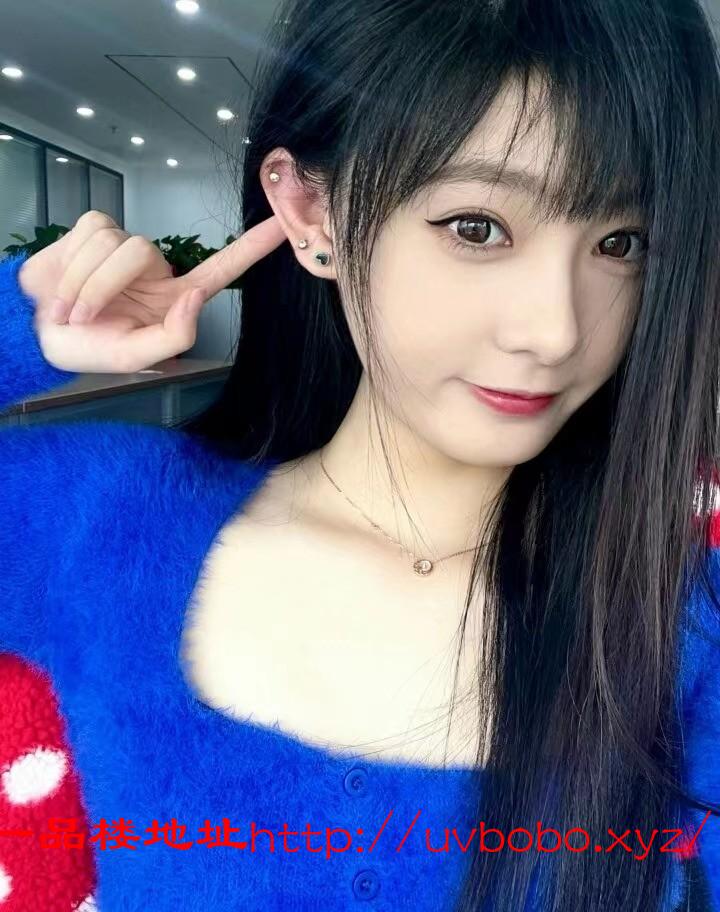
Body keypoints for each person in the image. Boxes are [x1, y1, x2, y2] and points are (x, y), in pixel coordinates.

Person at [1, 0, 719, 908]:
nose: (556, 330)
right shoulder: (108, 520)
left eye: (621, 243)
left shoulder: (680, 614)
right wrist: (23, 327)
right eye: (477, 227)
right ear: (312, 213)